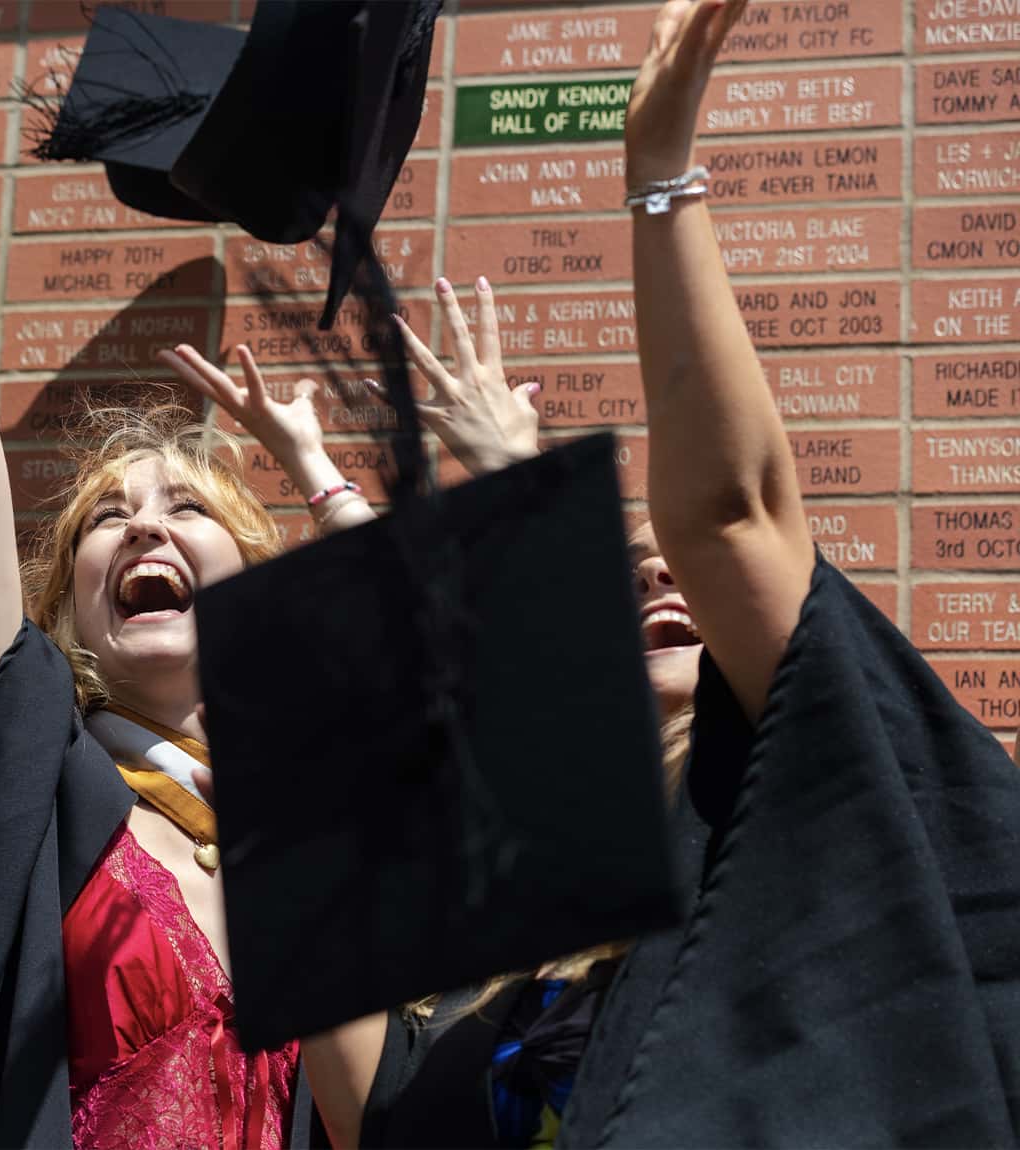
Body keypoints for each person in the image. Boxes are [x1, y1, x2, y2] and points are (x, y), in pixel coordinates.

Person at [307, 1, 1020, 1145]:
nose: (656, 580)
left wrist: (660, 173)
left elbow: (728, 520)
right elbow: (357, 1102)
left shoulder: (788, 806)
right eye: (629, 578)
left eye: (663, 571)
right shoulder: (471, 977)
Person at [0, 2, 378, 1146]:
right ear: (67, 598)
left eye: (188, 508)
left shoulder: (305, 809)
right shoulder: (38, 777)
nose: (145, 530)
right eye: (108, 517)